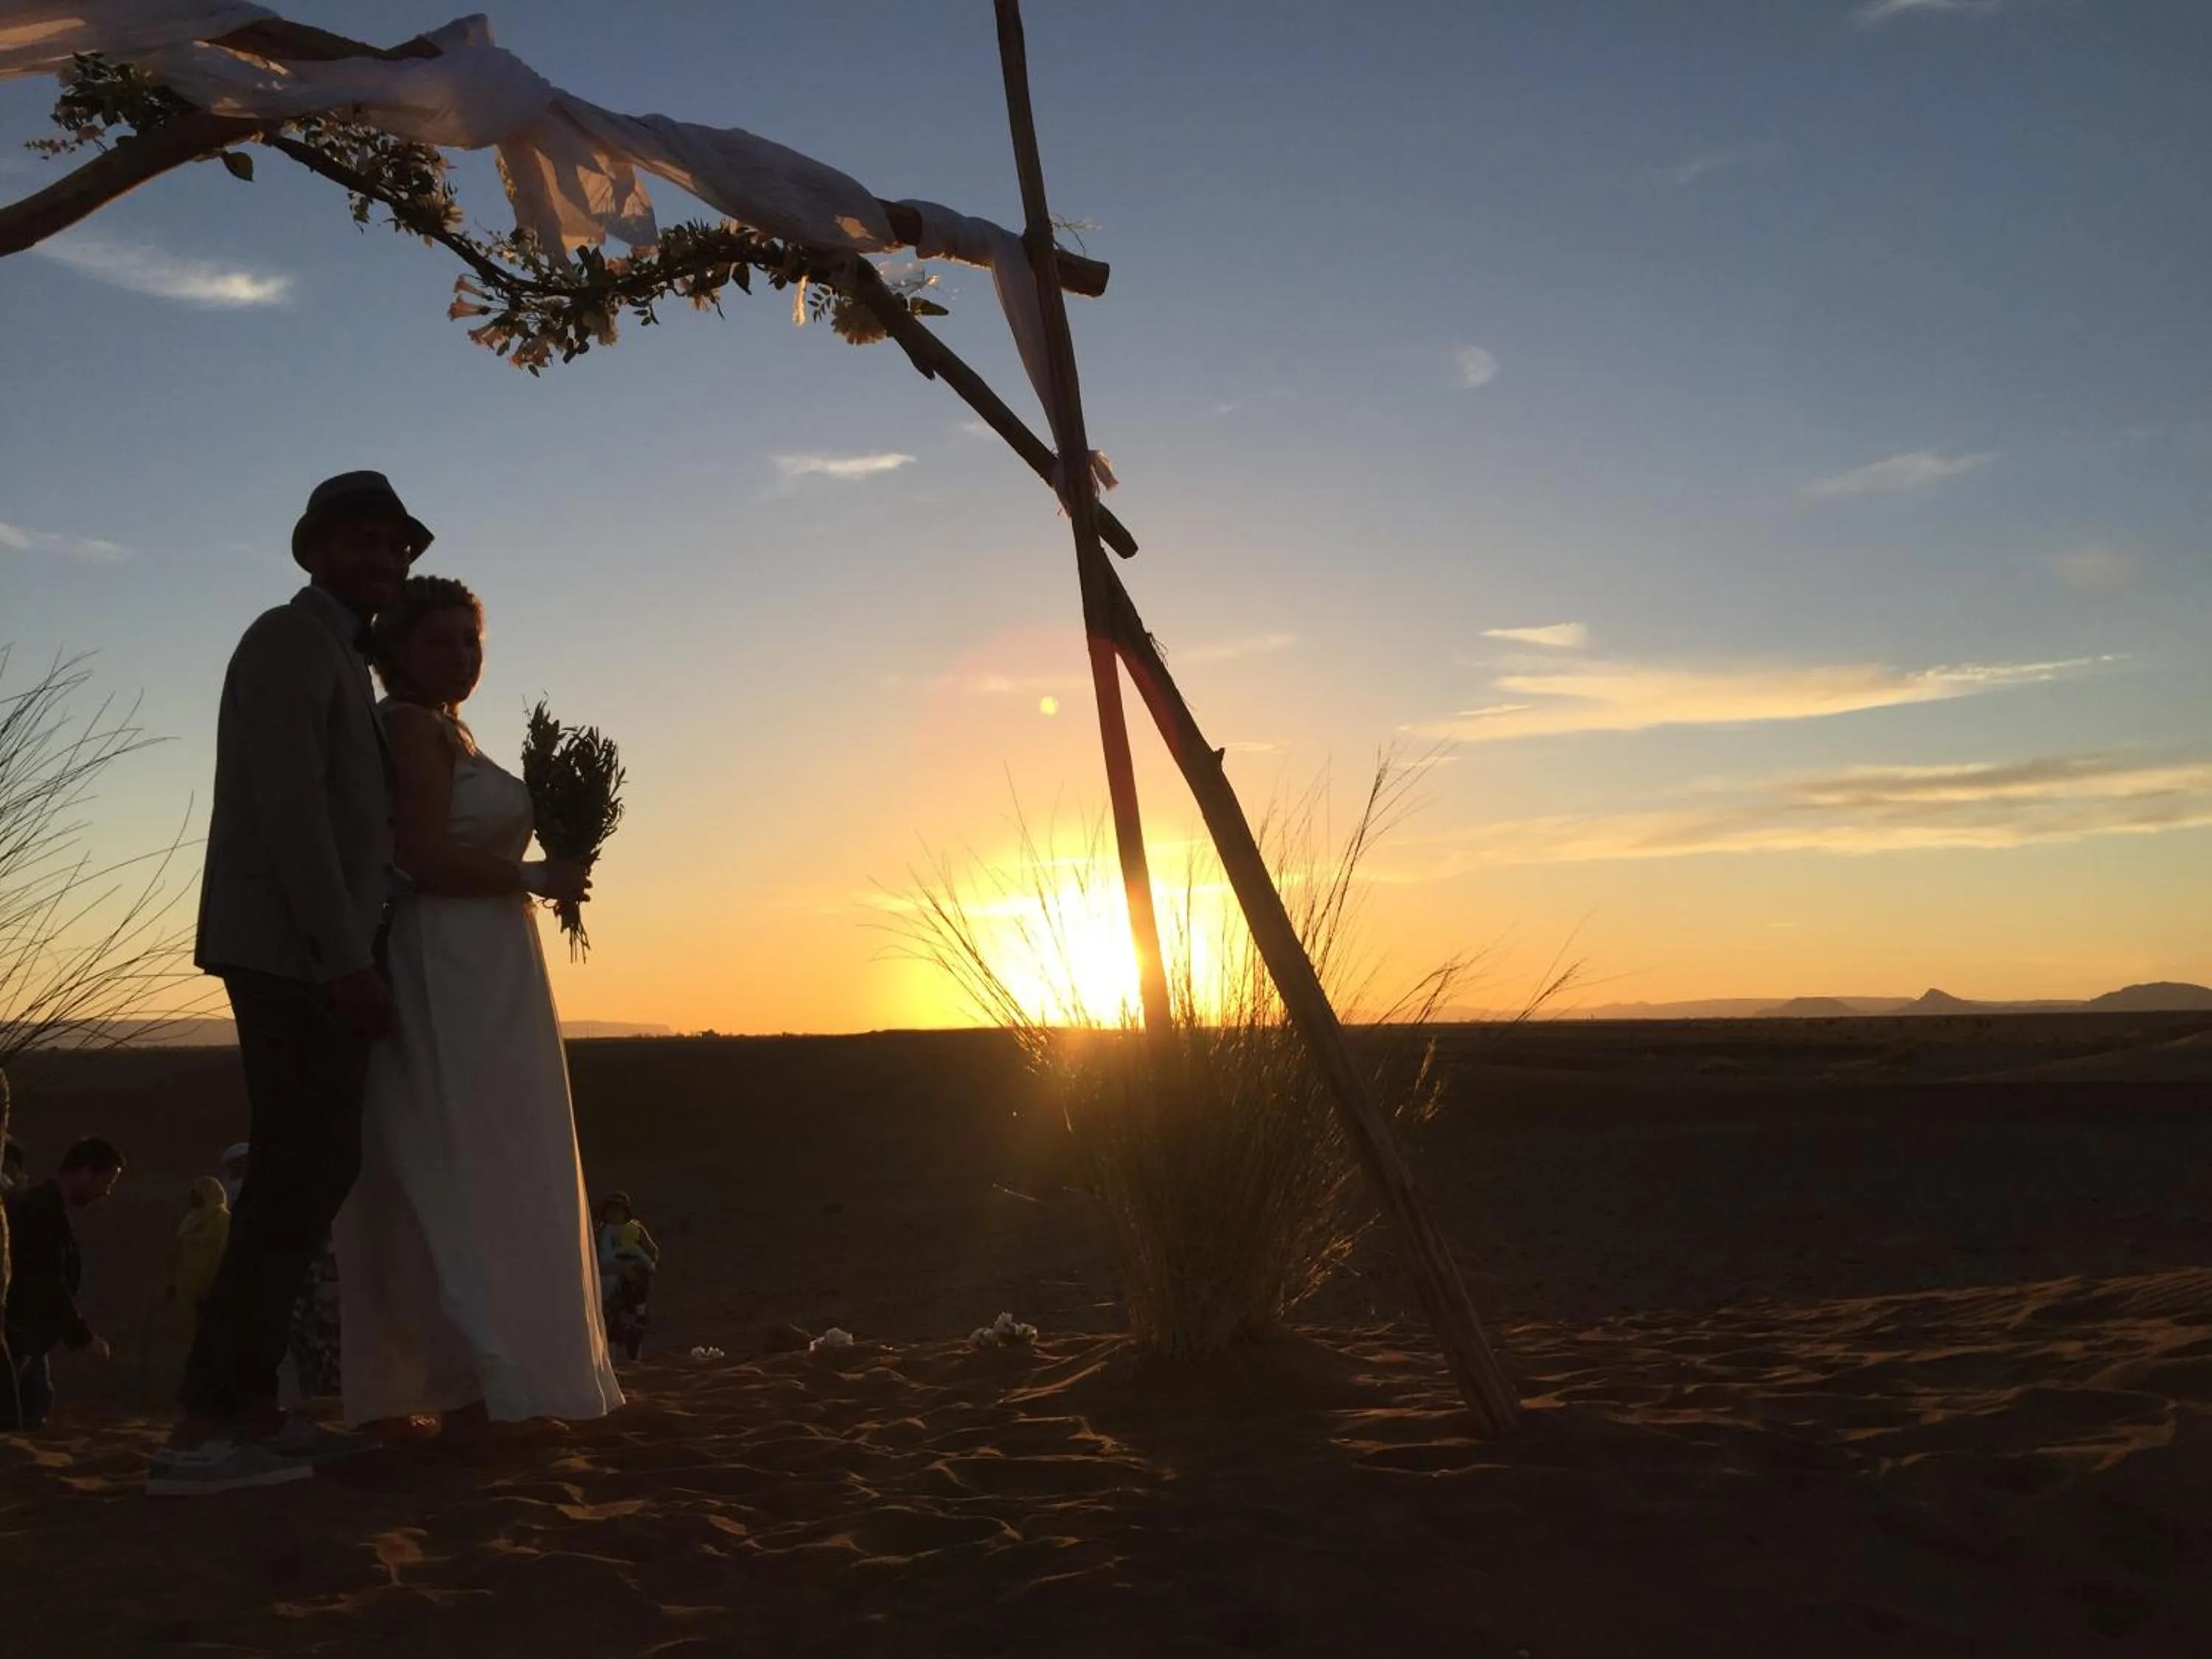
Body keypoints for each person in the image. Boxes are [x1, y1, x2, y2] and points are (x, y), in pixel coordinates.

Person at [155, 471, 429, 1497]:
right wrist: (343, 955)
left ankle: (246, 1410)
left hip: (303, 946)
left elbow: (350, 825)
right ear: (314, 550)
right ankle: (201, 1425)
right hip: (291, 950)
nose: (382, 558)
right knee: (298, 1172)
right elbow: (291, 811)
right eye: (361, 540)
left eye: (394, 545)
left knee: (304, 1169)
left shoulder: (336, 659)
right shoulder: (286, 639)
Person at [333, 574, 620, 1437]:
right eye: (440, 642)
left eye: (471, 640)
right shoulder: (411, 728)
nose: (460, 656)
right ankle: (477, 1368)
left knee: (501, 1144)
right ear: (396, 653)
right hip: (446, 959)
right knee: (464, 1143)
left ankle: (491, 1366)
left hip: (493, 958)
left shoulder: (450, 728)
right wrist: (536, 875)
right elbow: (419, 858)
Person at [3, 1137, 125, 1430]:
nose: (105, 1192)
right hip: (16, 1333)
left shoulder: (44, 1208)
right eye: (106, 1181)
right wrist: (83, 1339)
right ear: (85, 1173)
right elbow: (47, 1281)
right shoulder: (41, 1211)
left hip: (25, 1336)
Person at [167, 1179, 232, 1351]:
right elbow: (179, 1254)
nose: (193, 1198)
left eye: (197, 1194)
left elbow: (222, 1252)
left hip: (209, 1288)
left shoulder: (222, 1220)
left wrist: (216, 1287)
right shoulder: (190, 1221)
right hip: (187, 1289)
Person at [595, 1192, 658, 1363]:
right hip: (608, 1283)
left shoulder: (635, 1230)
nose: (614, 1214)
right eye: (610, 1210)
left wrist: (640, 1263)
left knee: (635, 1322)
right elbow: (594, 1262)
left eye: (617, 1210)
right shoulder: (601, 1234)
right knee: (611, 1323)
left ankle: (633, 1358)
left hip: (632, 1284)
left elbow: (652, 1252)